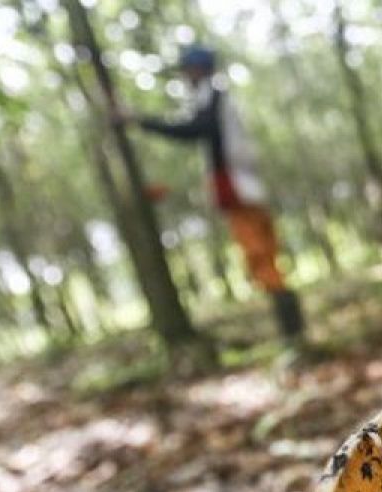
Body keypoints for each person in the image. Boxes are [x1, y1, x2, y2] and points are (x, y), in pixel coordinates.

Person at [115, 45, 305, 341]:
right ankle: (294, 331)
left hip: (238, 187)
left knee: (260, 256)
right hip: (241, 186)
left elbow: (193, 129)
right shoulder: (214, 98)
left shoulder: (214, 96)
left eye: (188, 69)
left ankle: (293, 334)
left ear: (199, 69)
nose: (185, 76)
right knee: (262, 256)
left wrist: (140, 120)